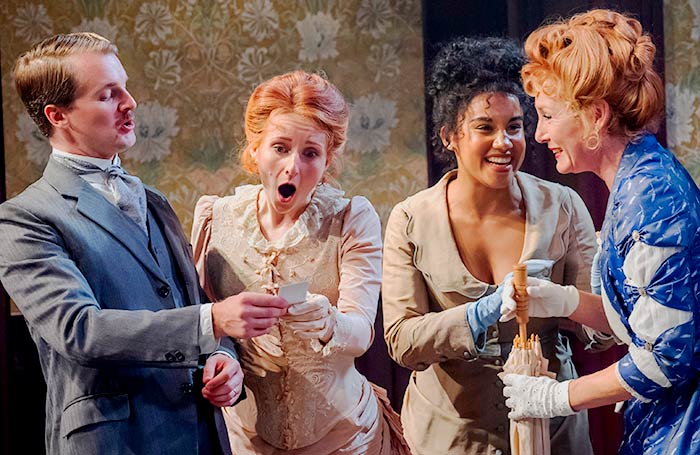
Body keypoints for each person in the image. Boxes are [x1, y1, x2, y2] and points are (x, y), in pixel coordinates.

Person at [0, 32, 288, 455]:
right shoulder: (24, 217)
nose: (130, 102)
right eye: (107, 94)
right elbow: (80, 330)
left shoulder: (153, 200)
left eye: (126, 87)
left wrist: (223, 359)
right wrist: (213, 324)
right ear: (57, 115)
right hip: (115, 441)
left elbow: (192, 305)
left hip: (200, 433)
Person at [382, 36, 607, 455]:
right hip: (450, 432)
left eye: (515, 126)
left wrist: (582, 298)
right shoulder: (412, 218)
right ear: (450, 134)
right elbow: (401, 340)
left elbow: (600, 332)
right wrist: (478, 314)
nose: (504, 142)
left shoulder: (562, 206)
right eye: (485, 127)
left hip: (549, 424)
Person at [500, 9, 700, 455]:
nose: (539, 133)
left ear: (595, 115)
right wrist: (566, 301)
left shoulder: (652, 197)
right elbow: (645, 317)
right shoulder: (635, 179)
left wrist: (556, 397)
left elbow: (665, 359)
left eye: (549, 116)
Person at [191, 70, 409, 454]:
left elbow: (360, 333)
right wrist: (223, 363)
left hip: (344, 436)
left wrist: (329, 321)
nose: (293, 167)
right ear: (255, 148)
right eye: (279, 147)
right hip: (247, 439)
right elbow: (204, 324)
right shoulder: (215, 218)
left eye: (310, 153)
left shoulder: (350, 219)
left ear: (327, 161)